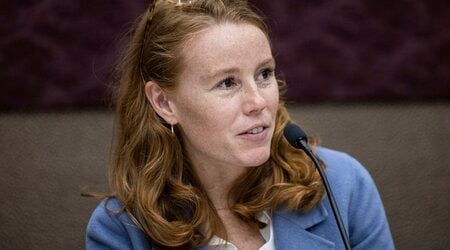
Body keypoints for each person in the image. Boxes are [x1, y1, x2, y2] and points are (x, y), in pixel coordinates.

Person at [86, 0, 395, 249]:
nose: (258, 102)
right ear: (164, 103)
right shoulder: (119, 231)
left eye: (264, 74)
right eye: (227, 83)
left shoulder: (343, 183)